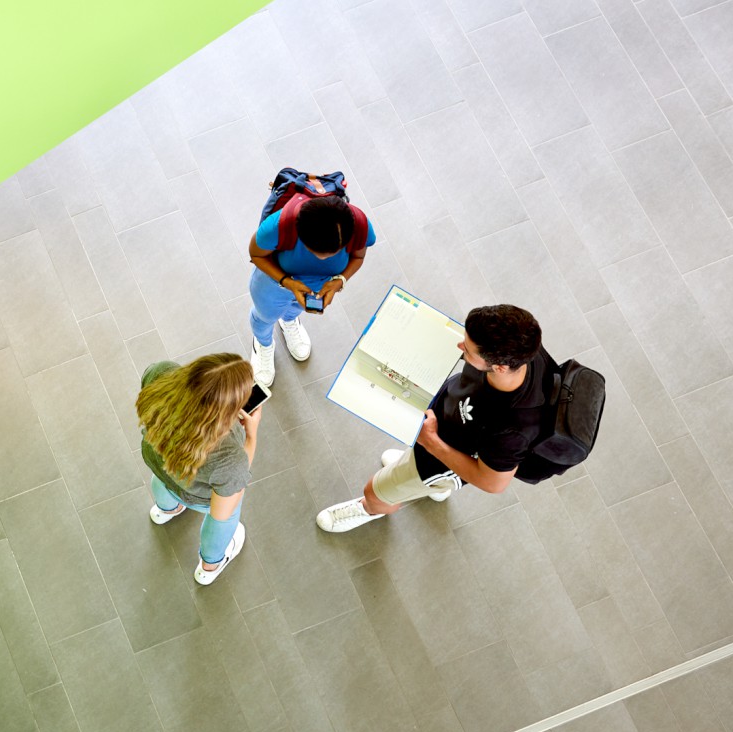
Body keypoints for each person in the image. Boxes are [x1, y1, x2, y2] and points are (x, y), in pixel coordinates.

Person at [315, 304, 551, 533]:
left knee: (375, 490)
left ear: (499, 367)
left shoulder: (513, 430)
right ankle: (431, 486)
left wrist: (431, 443)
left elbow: (493, 483)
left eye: (468, 350)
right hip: (444, 425)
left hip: (440, 460)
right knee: (413, 464)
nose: (460, 347)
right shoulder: (522, 349)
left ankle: (371, 508)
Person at [138, 353, 262, 584]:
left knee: (165, 481)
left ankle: (166, 509)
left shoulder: (161, 373)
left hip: (159, 465)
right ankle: (209, 566)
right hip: (198, 495)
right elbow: (221, 512)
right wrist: (251, 436)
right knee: (226, 518)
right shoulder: (229, 458)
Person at [246, 193, 374, 386]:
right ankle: (263, 343)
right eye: (314, 251)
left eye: (334, 252)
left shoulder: (360, 227)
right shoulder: (280, 225)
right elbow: (256, 254)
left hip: (312, 289)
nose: (323, 258)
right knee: (265, 317)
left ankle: (289, 322)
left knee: (296, 308)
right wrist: (287, 282)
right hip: (273, 285)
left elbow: (358, 257)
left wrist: (340, 281)